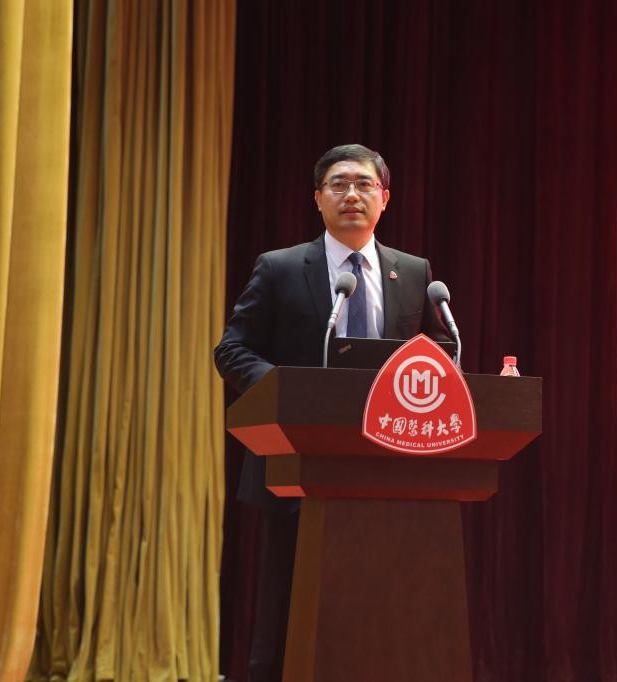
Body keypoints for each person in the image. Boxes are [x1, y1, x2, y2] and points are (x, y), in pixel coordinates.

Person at [214, 144, 449, 681]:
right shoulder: (279, 267)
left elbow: (436, 351)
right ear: (317, 198)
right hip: (296, 464)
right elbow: (233, 349)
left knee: (380, 607)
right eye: (338, 184)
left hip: (388, 467)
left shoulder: (414, 273)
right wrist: (287, 393)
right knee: (288, 610)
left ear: (384, 199)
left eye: (364, 185)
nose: (352, 195)